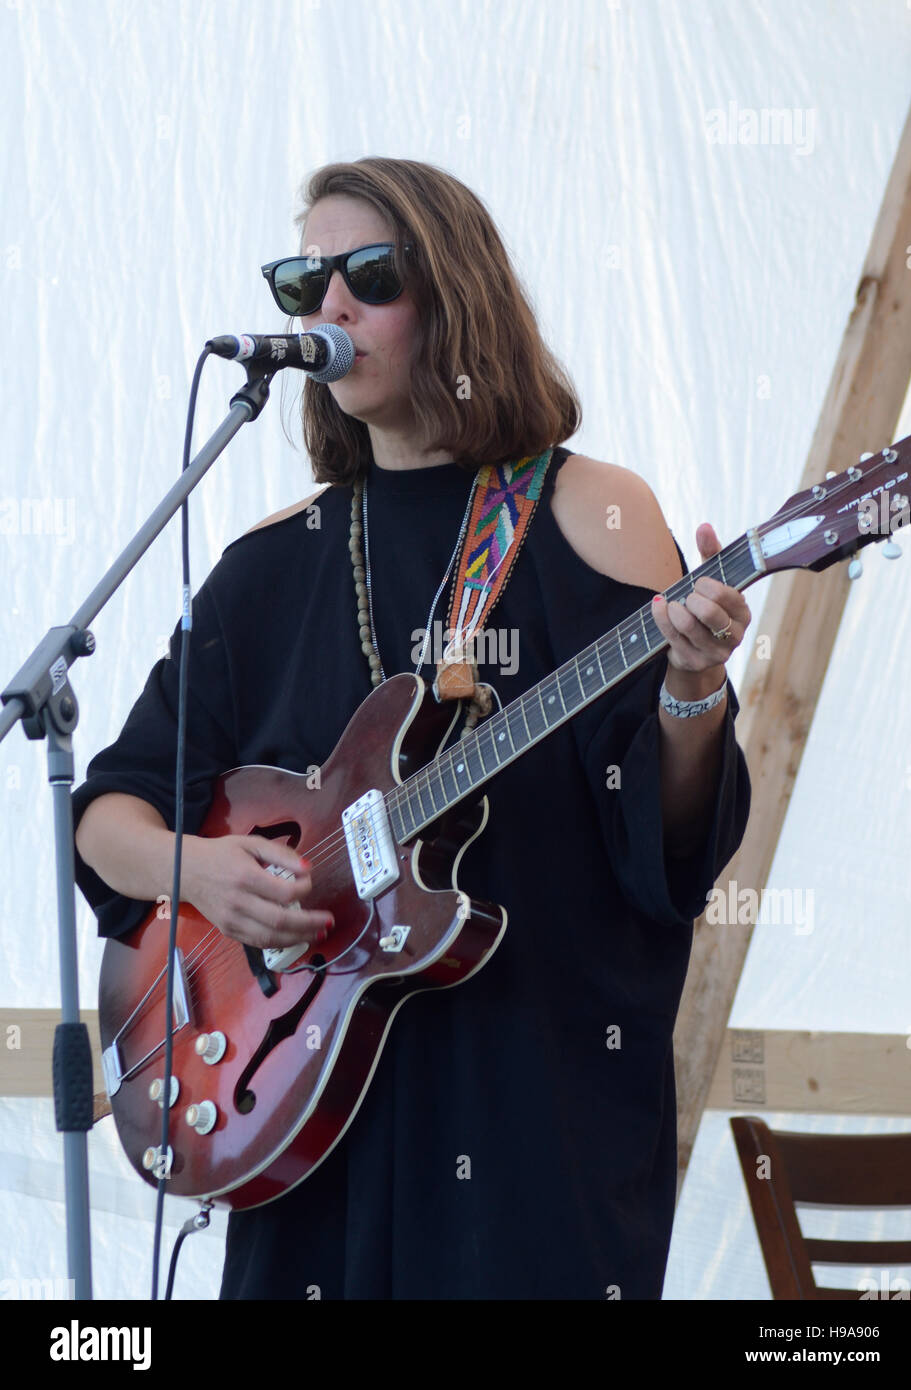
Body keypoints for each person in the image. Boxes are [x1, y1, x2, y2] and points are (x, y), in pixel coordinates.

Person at [73, 155, 752, 1300]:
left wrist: (691, 690)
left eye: (369, 275)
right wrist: (206, 870)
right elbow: (109, 812)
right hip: (299, 1102)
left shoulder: (597, 516)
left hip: (528, 1110)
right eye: (304, 282)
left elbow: (668, 850)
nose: (329, 307)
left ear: (456, 293)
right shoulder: (267, 566)